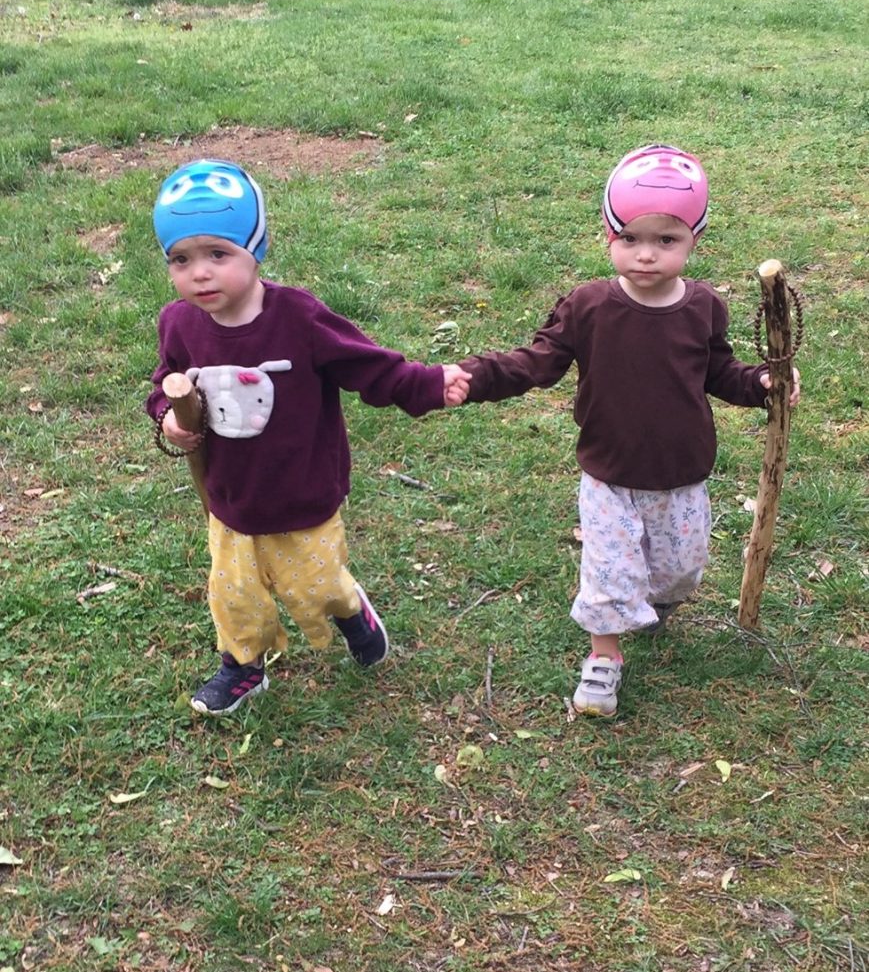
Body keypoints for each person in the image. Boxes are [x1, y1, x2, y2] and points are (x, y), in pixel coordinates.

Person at [459, 144, 800, 718]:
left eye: (666, 240)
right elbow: (535, 362)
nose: (646, 255)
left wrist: (762, 383)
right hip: (609, 474)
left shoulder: (703, 307)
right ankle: (604, 657)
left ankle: (656, 603)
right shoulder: (587, 306)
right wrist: (471, 377)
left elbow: (719, 371)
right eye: (631, 239)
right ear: (608, 235)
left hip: (682, 474)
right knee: (612, 573)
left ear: (695, 240)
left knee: (679, 572)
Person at [146, 159, 471, 716]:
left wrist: (424, 385)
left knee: (314, 585)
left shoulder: (299, 318)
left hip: (303, 488)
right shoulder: (179, 323)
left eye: (217, 254)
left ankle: (350, 611)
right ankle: (242, 666)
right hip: (229, 494)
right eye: (181, 259)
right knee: (233, 594)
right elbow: (165, 383)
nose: (199, 273)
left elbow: (367, 366)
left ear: (257, 249)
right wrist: (167, 419)